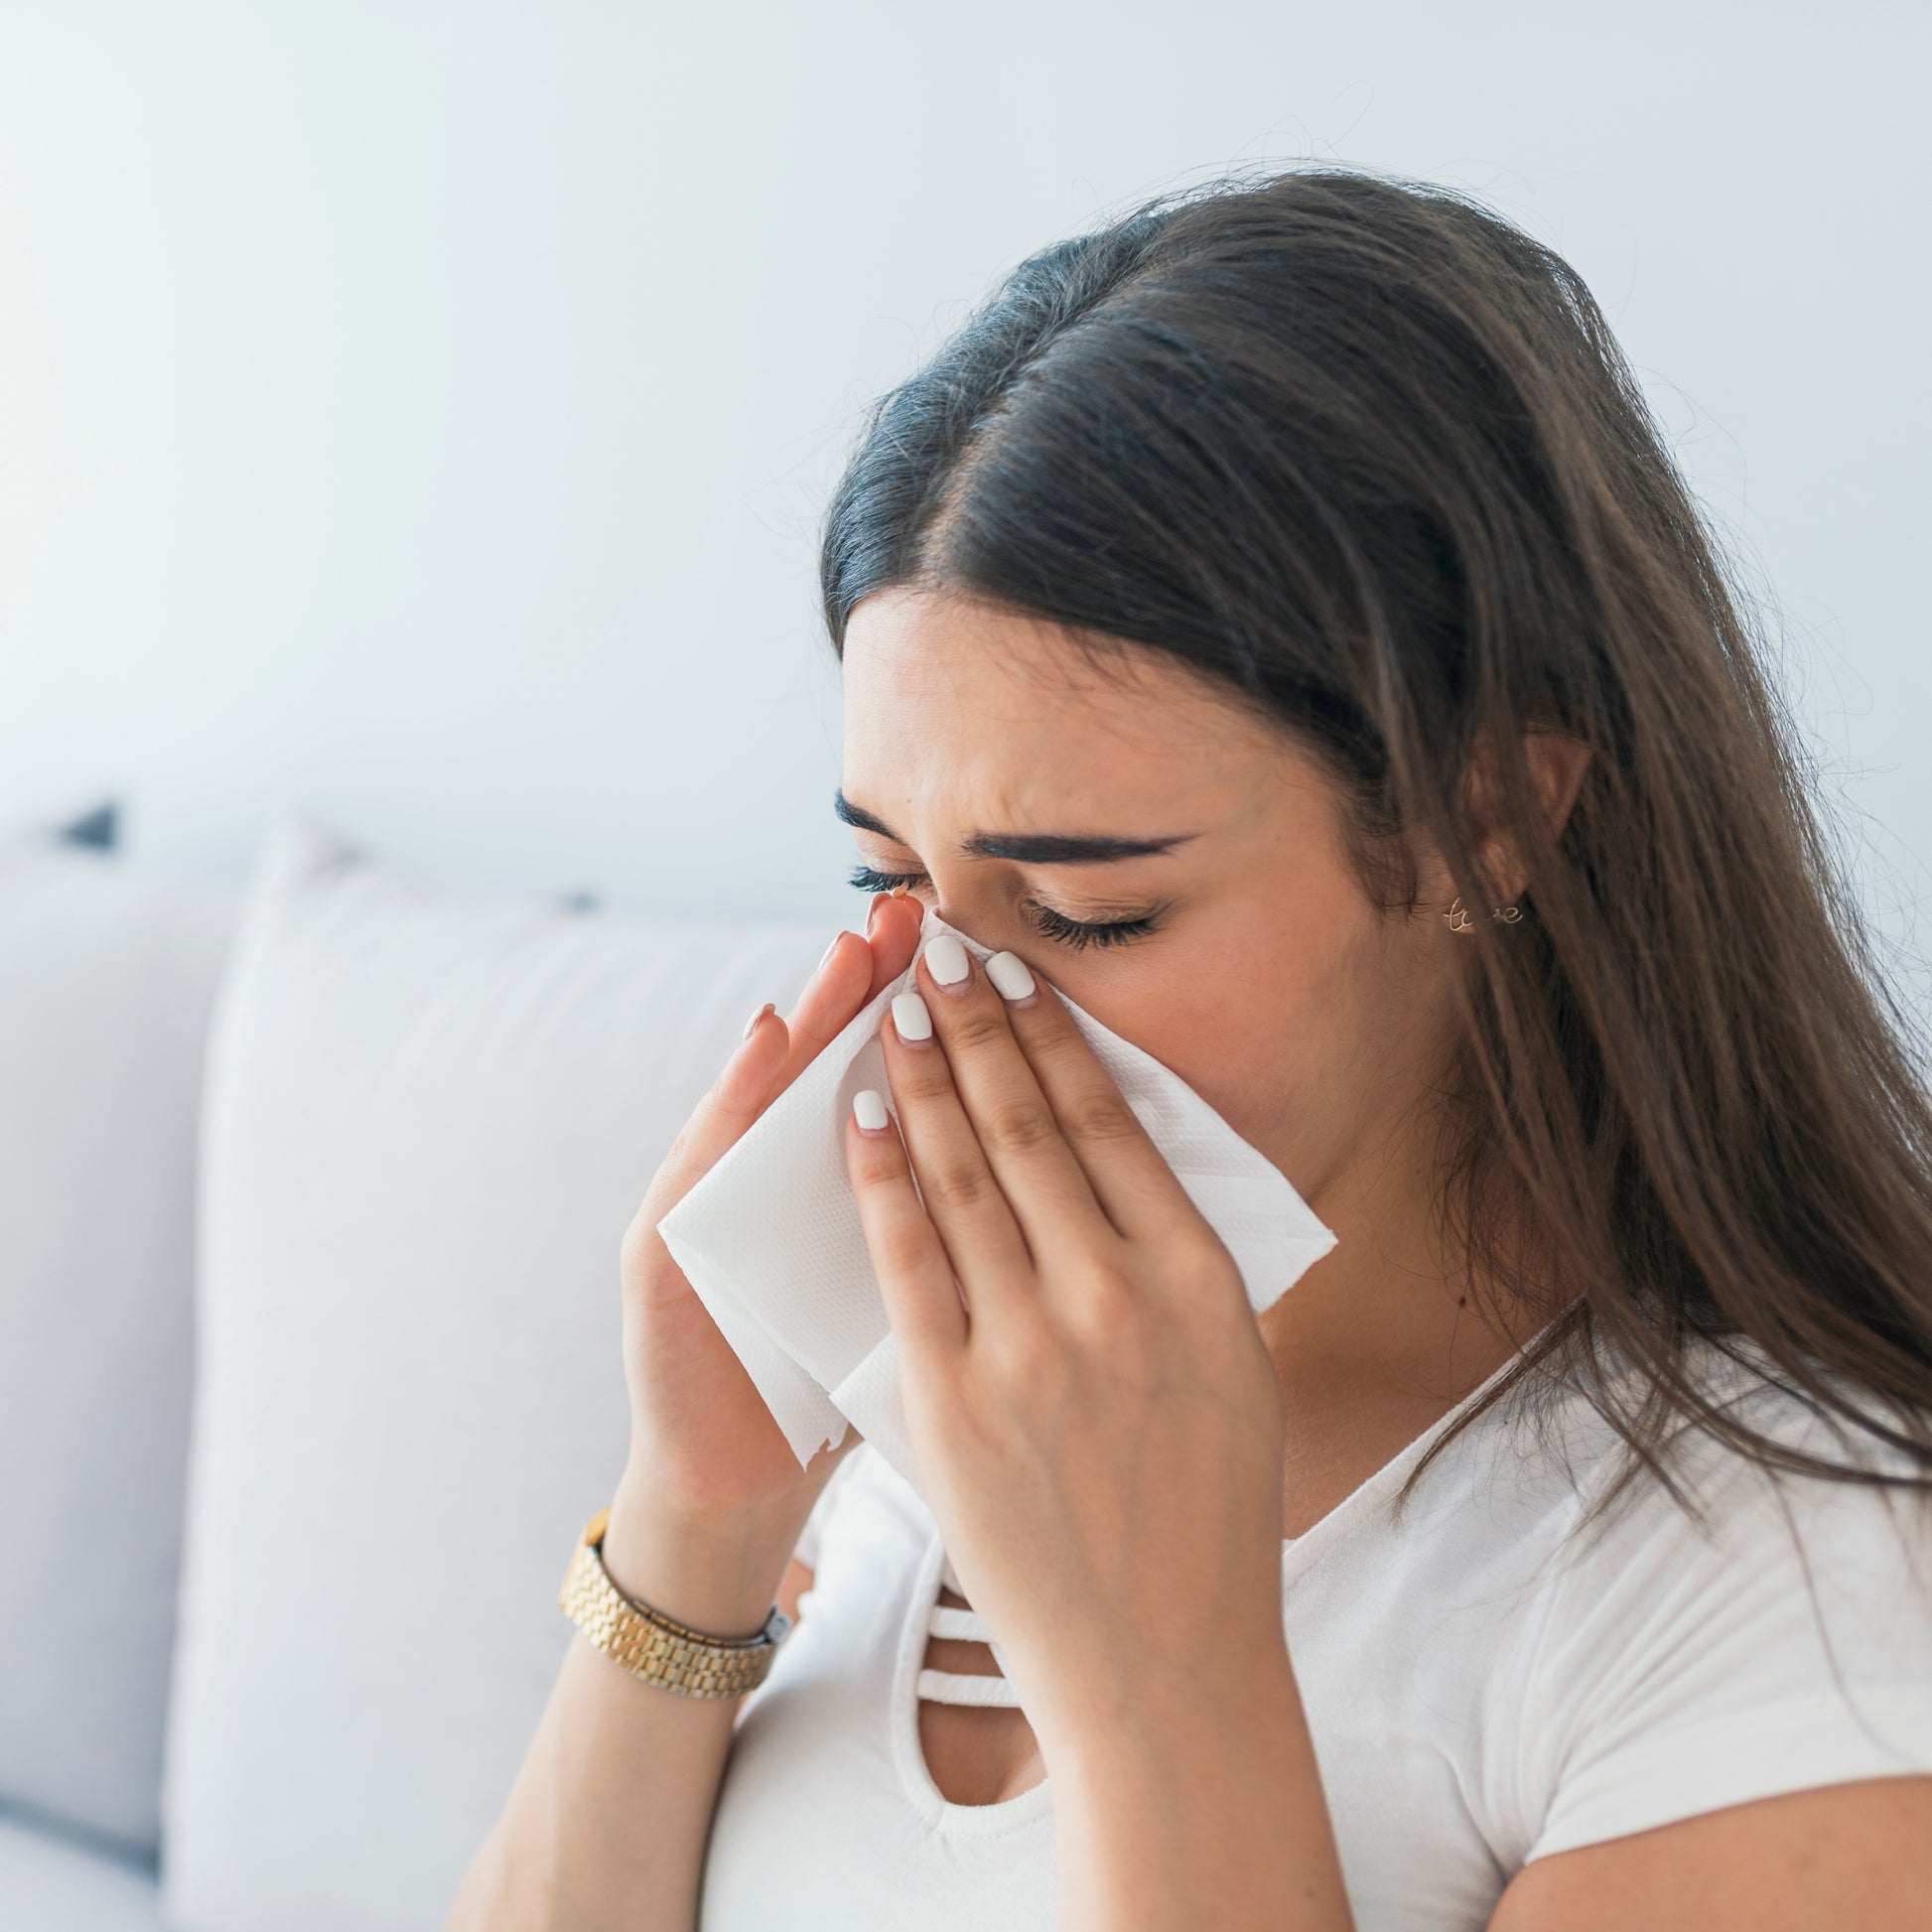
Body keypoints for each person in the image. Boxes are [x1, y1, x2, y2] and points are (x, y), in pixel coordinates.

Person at [448, 167, 1932, 1931]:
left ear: (1486, 822)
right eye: (893, 879)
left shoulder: (1798, 1581)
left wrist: (1159, 1673)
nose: (949, 1016)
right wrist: (694, 1524)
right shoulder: (932, 1407)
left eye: (1091, 914)